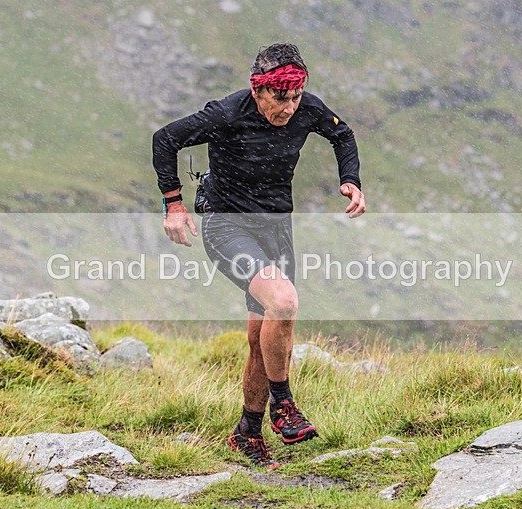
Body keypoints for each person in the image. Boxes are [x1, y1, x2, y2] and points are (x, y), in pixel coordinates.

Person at [153, 43, 366, 468]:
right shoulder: (227, 114)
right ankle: (284, 405)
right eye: (279, 98)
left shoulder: (307, 107)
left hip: (275, 228)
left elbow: (342, 133)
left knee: (263, 337)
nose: (289, 107)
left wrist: (351, 180)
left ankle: (247, 433)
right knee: (283, 301)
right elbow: (166, 138)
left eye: (296, 97)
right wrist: (173, 205)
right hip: (227, 225)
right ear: (258, 90)